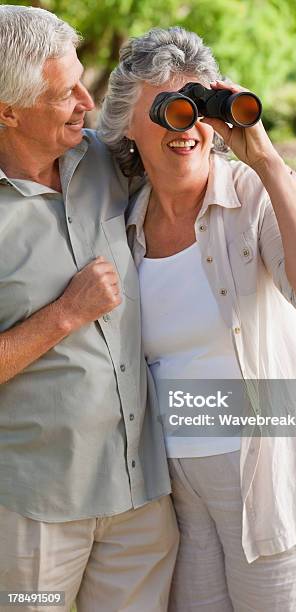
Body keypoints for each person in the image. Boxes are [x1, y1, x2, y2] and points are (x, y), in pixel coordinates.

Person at [99, 26, 296, 612]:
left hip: (276, 483)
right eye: (168, 108)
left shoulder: (255, 196)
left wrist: (271, 164)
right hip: (177, 495)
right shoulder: (120, 222)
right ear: (127, 123)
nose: (188, 125)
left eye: (199, 106)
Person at [0, 7, 178, 612]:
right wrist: (64, 315)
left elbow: (194, 166)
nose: (86, 100)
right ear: (8, 111)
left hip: (140, 498)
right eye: (64, 92)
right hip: (32, 512)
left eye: (83, 79)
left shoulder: (107, 160)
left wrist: (272, 176)